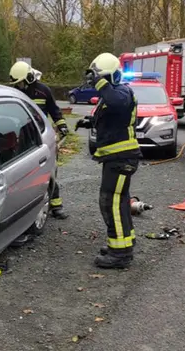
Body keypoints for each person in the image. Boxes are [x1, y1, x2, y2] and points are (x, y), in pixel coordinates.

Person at [80, 53, 141, 269]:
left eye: (98, 79)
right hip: (116, 158)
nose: (95, 84)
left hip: (121, 158)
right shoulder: (112, 95)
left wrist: (101, 82)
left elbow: (117, 103)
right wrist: (89, 122)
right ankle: (124, 242)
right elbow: (111, 118)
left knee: (111, 203)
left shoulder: (122, 92)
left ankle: (120, 254)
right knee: (120, 201)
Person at [9, 61, 69, 220]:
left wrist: (62, 126)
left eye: (20, 83)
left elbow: (54, 110)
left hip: (42, 137)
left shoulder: (43, 91)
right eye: (16, 84)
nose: (19, 86)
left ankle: (56, 205)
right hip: (23, 137)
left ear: (28, 78)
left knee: (50, 171)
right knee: (25, 173)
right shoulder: (16, 93)